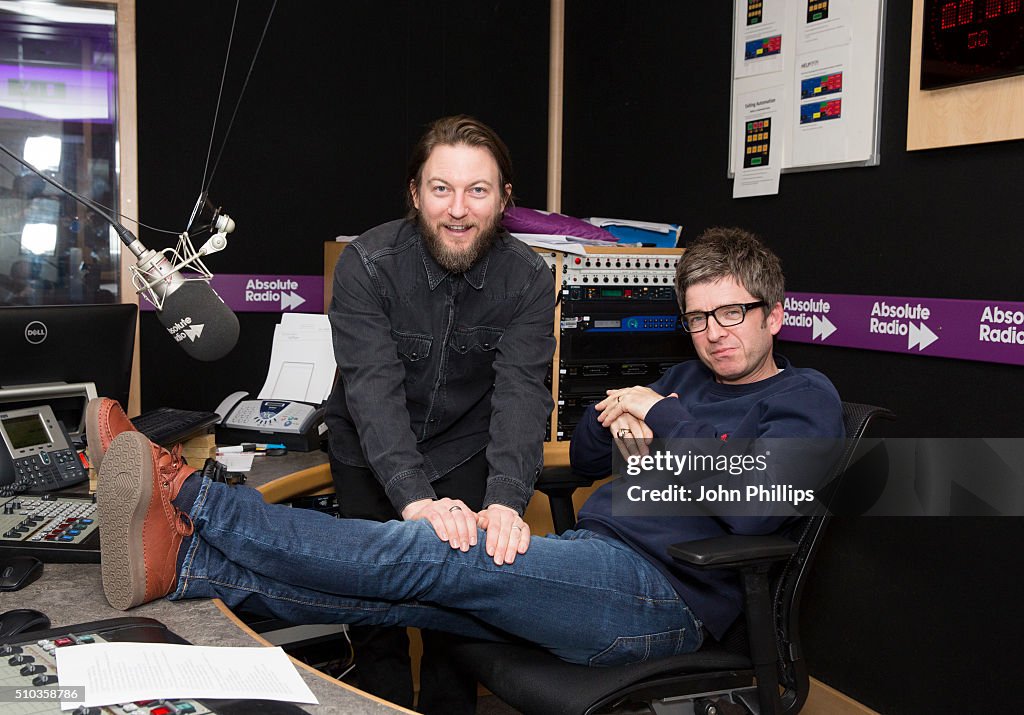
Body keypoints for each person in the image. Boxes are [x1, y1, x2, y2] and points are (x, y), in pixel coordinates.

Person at [91, 227, 844, 688]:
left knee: (436, 551)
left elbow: (755, 509)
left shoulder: (805, 396)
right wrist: (617, 422)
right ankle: (191, 567)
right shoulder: (678, 381)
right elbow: (579, 462)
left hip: (666, 601)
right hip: (595, 557)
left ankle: (192, 497)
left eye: (733, 313)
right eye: (699, 316)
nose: (713, 332)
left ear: (774, 314)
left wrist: (665, 418)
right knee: (397, 596)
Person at [324, 115, 555, 712]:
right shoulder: (365, 265)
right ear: (414, 193)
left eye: (477, 190)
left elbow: (523, 393)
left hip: (464, 450)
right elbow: (372, 391)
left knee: (457, 627)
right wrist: (414, 498)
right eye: (441, 188)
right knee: (376, 623)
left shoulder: (530, 277)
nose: (458, 208)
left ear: (504, 199)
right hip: (370, 455)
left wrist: (505, 498)